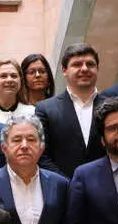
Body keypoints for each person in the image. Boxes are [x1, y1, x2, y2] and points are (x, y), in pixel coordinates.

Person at [37, 44, 105, 177]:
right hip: (63, 190)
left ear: (97, 68)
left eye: (90, 64)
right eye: (77, 64)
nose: (84, 69)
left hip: (106, 188)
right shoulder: (45, 109)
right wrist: (68, 185)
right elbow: (42, 155)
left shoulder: (112, 105)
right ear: (64, 70)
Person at [0, 59, 35, 124]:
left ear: (20, 81)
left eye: (14, 76)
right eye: (3, 76)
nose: (9, 80)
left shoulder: (32, 112)